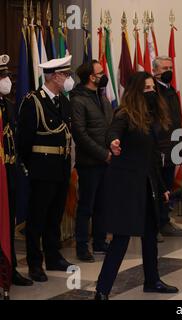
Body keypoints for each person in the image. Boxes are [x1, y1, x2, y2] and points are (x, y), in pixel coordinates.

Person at [95, 72, 178, 300]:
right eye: (147, 88)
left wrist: (162, 187)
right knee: (121, 239)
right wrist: (113, 142)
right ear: (135, 91)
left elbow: (152, 159)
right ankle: (102, 289)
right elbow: (112, 133)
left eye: (153, 88)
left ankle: (152, 281)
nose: (151, 92)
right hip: (126, 186)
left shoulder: (150, 118)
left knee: (150, 235)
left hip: (147, 185)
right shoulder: (125, 114)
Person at [17, 55, 75, 282]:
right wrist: (30, 169)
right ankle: (34, 263)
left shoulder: (64, 101)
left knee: (55, 216)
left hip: (61, 167)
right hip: (41, 169)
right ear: (53, 76)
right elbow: (24, 141)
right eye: (65, 75)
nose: (68, 79)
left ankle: (53, 255)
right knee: (37, 218)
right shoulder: (33, 101)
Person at [70, 60, 113, 262]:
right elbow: (80, 134)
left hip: (106, 160)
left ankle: (99, 242)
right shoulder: (78, 100)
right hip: (89, 162)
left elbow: (108, 126)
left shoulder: (102, 97)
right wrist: (103, 154)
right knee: (86, 206)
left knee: (103, 205)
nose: (103, 75)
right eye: (100, 72)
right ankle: (81, 246)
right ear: (91, 77)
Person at [0, 54, 33, 286]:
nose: (7, 80)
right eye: (2, 76)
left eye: (8, 75)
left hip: (9, 172)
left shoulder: (9, 105)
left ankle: (9, 268)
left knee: (8, 221)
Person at [152, 56, 182, 240]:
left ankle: (165, 221)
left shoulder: (171, 90)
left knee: (167, 187)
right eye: (164, 68)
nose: (168, 71)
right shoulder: (151, 91)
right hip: (158, 148)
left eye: (170, 67)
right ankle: (154, 225)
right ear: (155, 70)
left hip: (172, 146)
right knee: (156, 188)